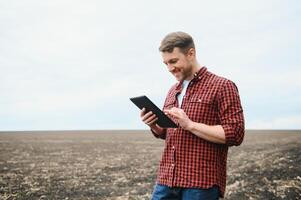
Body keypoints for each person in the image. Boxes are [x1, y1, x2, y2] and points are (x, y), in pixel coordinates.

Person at [140, 32, 245, 200]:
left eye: (173, 61)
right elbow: (169, 133)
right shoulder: (172, 91)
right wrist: (154, 125)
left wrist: (190, 124)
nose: (170, 68)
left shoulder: (223, 86)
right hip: (167, 179)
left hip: (200, 184)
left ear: (191, 53)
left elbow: (235, 133)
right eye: (166, 63)